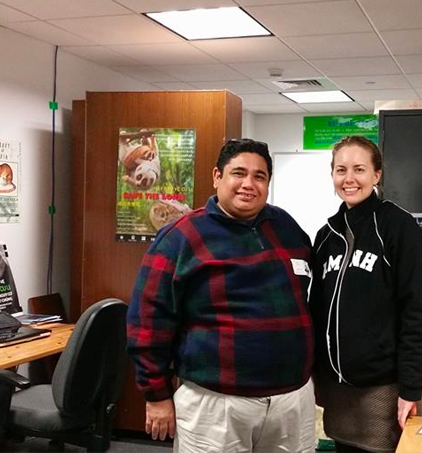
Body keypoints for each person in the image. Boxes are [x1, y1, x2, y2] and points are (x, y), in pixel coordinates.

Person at [126, 138, 316, 453]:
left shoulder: (286, 228)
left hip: (290, 401)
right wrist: (156, 395)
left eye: (259, 176)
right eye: (238, 173)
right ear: (217, 177)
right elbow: (148, 320)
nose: (248, 184)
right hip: (216, 405)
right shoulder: (182, 237)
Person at [310, 136, 422, 453]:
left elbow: (419, 313)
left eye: (359, 169)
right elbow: (317, 311)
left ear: (377, 175)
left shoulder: (398, 228)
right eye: (341, 170)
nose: (348, 179)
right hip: (338, 391)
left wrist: (411, 388)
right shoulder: (327, 236)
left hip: (387, 389)